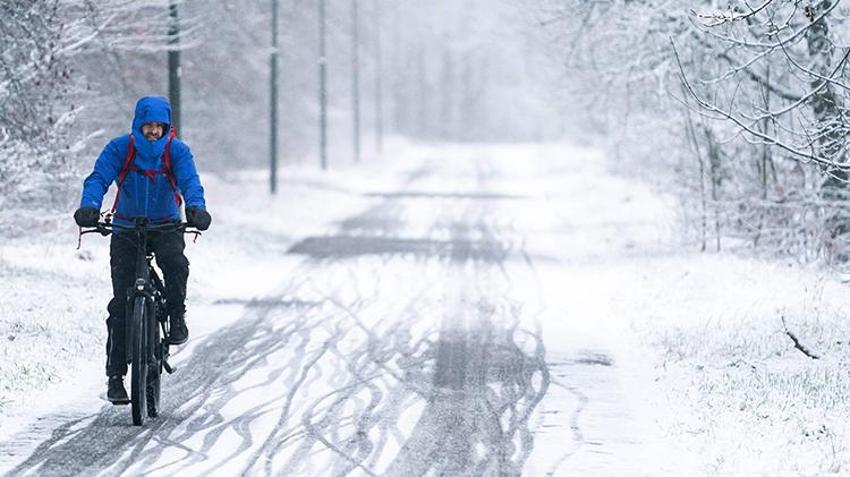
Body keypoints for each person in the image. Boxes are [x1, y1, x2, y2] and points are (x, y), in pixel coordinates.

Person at [73, 96, 211, 404]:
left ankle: (176, 315)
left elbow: (190, 182)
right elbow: (98, 179)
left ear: (166, 128)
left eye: (158, 127)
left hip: (165, 226)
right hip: (126, 227)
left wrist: (197, 209)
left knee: (175, 263)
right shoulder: (120, 149)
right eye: (147, 126)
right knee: (121, 303)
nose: (152, 132)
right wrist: (89, 207)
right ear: (138, 125)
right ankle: (115, 376)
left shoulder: (178, 152)